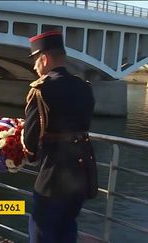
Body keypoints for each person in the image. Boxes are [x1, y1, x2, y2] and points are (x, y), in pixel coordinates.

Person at [22, 31, 99, 243]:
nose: (34, 68)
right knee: (67, 229)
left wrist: (28, 156)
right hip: (82, 173)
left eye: (36, 61)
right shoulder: (84, 88)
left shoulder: (41, 89)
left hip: (53, 176)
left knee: (41, 230)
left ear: (44, 59)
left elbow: (30, 141)